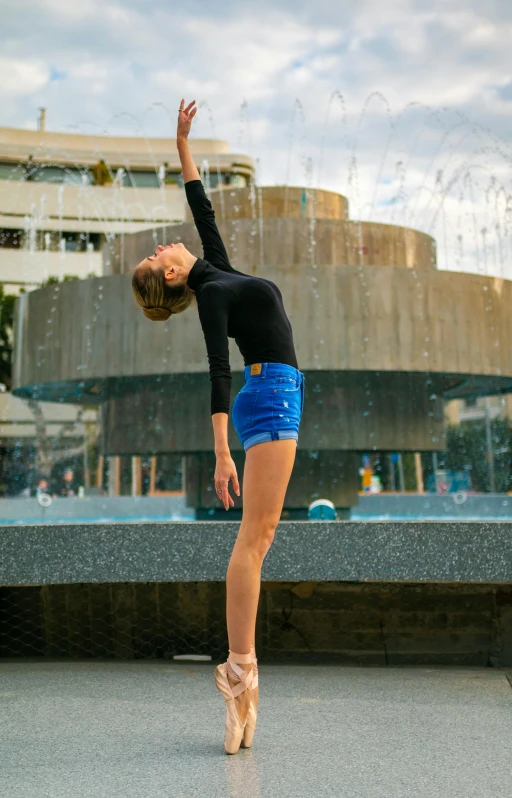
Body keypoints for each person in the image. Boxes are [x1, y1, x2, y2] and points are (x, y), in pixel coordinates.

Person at [132, 99, 305, 755]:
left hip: (280, 393)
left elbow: (201, 205)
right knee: (253, 541)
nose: (166, 244)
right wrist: (222, 456)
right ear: (173, 275)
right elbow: (216, 374)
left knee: (257, 539)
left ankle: (244, 675)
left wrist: (182, 143)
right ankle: (238, 669)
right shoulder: (209, 296)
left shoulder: (219, 271)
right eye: (160, 255)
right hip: (268, 396)